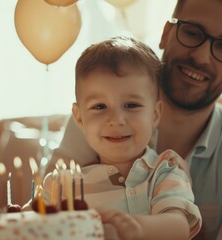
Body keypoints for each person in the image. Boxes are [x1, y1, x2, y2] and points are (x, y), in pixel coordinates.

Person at [51, 0, 222, 239]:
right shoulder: (99, 119)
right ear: (166, 34)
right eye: (192, 32)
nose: (202, 56)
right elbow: (44, 214)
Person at [44, 36, 201, 240]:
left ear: (154, 114)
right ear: (80, 118)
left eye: (131, 105)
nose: (116, 120)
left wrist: (132, 228)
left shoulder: (165, 171)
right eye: (99, 106)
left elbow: (178, 227)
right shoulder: (62, 187)